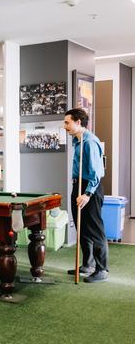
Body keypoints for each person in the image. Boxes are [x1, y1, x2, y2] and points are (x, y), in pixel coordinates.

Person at [63, 108, 108, 283]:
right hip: (78, 186)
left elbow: (97, 173)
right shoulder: (77, 140)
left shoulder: (89, 142)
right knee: (82, 229)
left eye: (67, 122)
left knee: (95, 230)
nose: (64, 126)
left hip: (90, 189)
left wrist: (87, 194)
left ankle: (102, 269)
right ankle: (87, 265)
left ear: (78, 122)